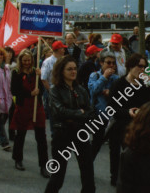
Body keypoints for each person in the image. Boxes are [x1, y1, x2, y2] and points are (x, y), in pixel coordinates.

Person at [109, 53, 150, 187]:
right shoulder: (119, 84)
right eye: (140, 66)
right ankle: (116, 177)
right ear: (130, 66)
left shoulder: (145, 84)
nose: (142, 70)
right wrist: (127, 112)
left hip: (142, 125)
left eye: (145, 67)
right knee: (120, 153)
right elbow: (112, 108)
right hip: (122, 124)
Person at [44, 55, 95, 193]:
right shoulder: (55, 90)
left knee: (88, 175)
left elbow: (90, 111)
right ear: (61, 71)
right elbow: (59, 111)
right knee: (57, 177)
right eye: (69, 69)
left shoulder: (81, 90)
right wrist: (80, 113)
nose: (73, 72)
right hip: (63, 134)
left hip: (81, 133)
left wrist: (78, 114)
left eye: (74, 69)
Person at [10, 49, 49, 178]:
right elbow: (14, 90)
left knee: (41, 138)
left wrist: (40, 77)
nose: (27, 63)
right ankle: (18, 159)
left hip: (37, 107)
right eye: (24, 60)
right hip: (23, 107)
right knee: (20, 135)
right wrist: (29, 94)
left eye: (29, 60)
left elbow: (42, 90)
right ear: (20, 61)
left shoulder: (36, 72)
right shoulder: (16, 73)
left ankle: (44, 165)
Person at [88, 50, 120, 184]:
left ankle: (114, 176)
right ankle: (87, 170)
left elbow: (121, 95)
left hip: (113, 117)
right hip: (98, 115)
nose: (111, 66)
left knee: (115, 147)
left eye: (113, 63)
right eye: (108, 63)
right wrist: (104, 78)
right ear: (101, 63)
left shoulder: (117, 79)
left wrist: (110, 93)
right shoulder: (94, 75)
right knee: (96, 144)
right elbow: (93, 90)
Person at [40, 40, 67, 134]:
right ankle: (54, 133)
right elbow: (43, 78)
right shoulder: (47, 62)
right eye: (62, 48)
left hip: (64, 91)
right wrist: (51, 92)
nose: (64, 50)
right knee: (53, 114)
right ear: (58, 49)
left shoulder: (64, 61)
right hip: (53, 91)